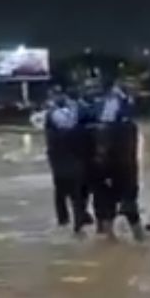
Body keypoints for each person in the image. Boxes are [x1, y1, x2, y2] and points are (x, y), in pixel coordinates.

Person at [84, 77, 146, 241]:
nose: (136, 88)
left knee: (119, 198)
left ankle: (112, 239)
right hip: (115, 161)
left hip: (123, 159)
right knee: (122, 199)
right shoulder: (113, 103)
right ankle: (122, 237)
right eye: (132, 84)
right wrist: (102, 156)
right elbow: (105, 128)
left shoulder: (124, 102)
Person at [44, 85, 91, 232]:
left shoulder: (66, 112)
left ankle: (71, 220)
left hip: (64, 155)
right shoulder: (58, 113)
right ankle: (71, 220)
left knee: (68, 189)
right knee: (68, 189)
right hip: (65, 155)